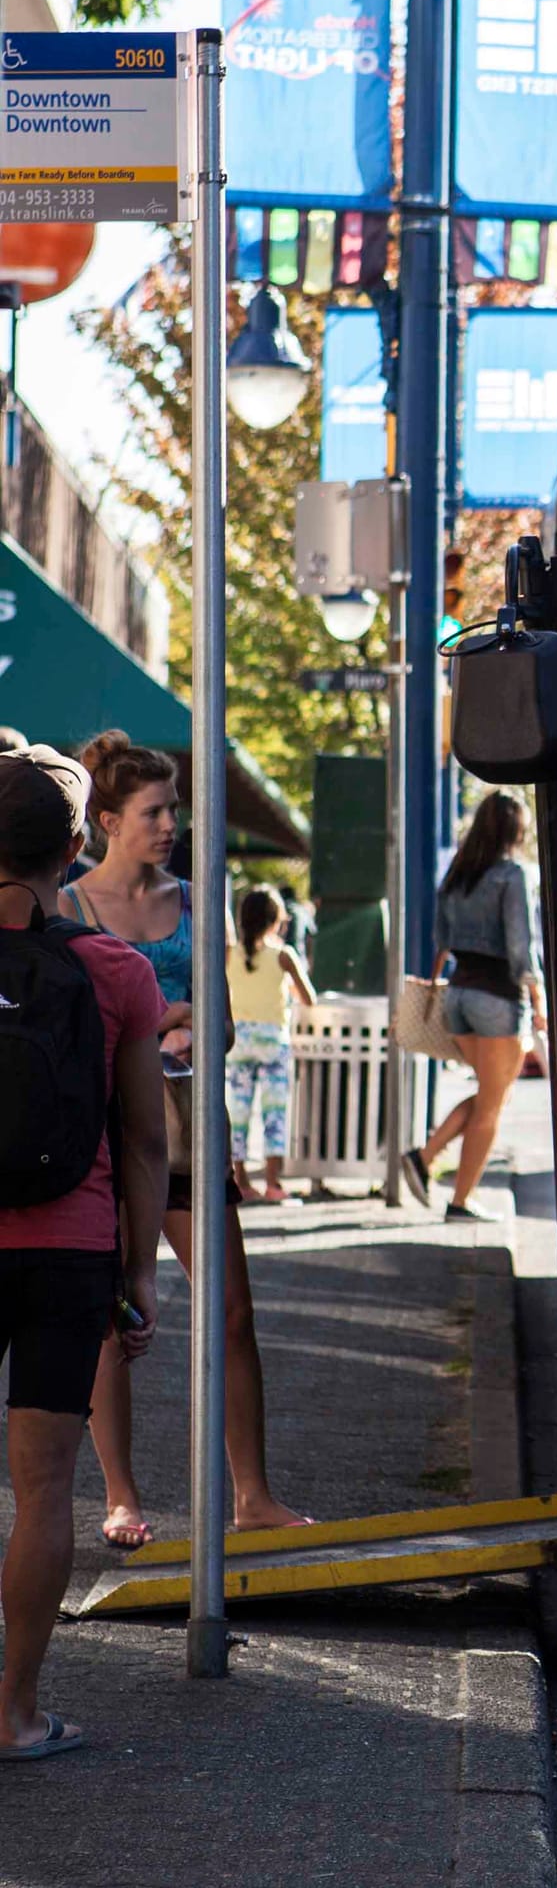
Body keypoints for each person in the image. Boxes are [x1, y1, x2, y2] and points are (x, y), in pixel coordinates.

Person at [64, 732, 306, 1547]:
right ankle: (122, 1496)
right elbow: (76, 1036)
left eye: (174, 809)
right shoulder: (71, 906)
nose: (171, 823)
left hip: (189, 1138)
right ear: (105, 820)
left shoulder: (197, 899)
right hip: (104, 1140)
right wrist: (163, 1020)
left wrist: (173, 1024)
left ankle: (253, 1494)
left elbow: (226, 1025)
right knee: (112, 1317)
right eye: (154, 810)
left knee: (233, 1312)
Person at [0, 746, 166, 1764]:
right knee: (45, 1492)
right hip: (68, 1251)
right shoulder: (114, 971)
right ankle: (14, 1715)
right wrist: (136, 1276)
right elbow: (145, 1138)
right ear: (74, 847)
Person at [403, 792, 545, 1222]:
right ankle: (460, 1201)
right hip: (499, 997)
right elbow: (521, 947)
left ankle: (423, 1158)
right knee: (492, 1105)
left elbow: (442, 938)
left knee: (488, 1093)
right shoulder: (512, 874)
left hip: (458, 996)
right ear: (516, 830)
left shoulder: (458, 874)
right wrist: (537, 998)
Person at [227, 889, 317, 1203]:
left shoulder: (229, 953)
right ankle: (272, 1183)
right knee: (274, 1113)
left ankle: (240, 1181)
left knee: (238, 1112)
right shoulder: (283, 955)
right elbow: (309, 998)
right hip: (272, 1041)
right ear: (276, 922)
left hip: (238, 1039)